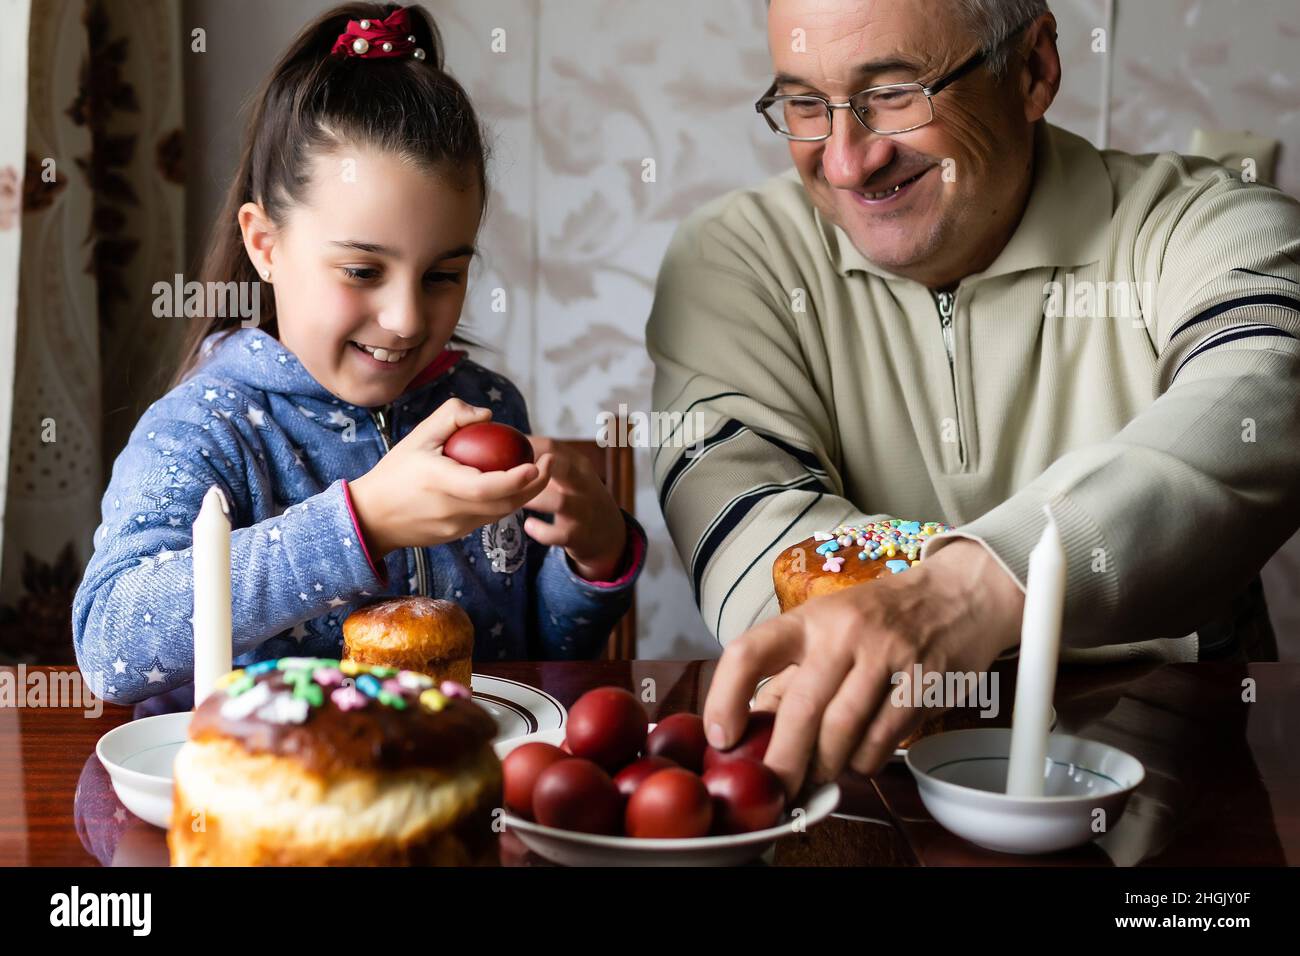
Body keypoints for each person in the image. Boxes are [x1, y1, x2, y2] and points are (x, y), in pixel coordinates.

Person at [647, 0, 1300, 796]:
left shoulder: (1212, 225)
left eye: (893, 93)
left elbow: (1264, 397)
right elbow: (754, 545)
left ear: (1033, 68)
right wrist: (1022, 608)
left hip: (1168, 798)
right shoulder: (731, 260)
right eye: (806, 106)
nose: (848, 162)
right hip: (858, 792)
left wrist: (975, 591)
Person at [72, 4, 645, 705]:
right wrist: (361, 523)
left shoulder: (486, 409)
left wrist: (592, 560)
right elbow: (111, 644)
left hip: (454, 796)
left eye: (442, 275)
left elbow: (521, 667)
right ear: (265, 245)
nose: (406, 320)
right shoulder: (206, 429)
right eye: (362, 271)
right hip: (273, 802)